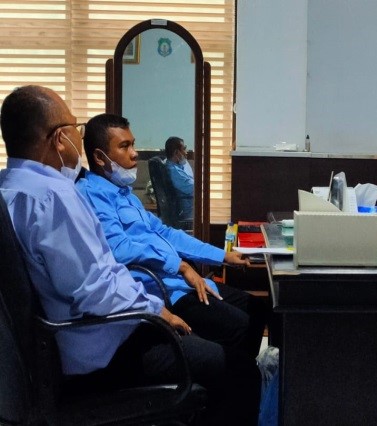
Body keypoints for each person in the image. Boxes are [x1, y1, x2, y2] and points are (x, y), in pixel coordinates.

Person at [0, 85, 260, 424]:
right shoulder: (54, 197)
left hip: (63, 345)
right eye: (75, 128)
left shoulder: (11, 188)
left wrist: (213, 259)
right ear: (60, 138)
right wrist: (156, 310)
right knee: (239, 371)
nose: (78, 137)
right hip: (102, 349)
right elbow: (95, 288)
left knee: (221, 343)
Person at [76, 113, 269, 362]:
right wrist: (179, 265)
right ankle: (236, 375)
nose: (134, 153)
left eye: (133, 144)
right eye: (124, 146)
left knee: (257, 310)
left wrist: (223, 256)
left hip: (178, 282)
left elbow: (167, 233)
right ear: (100, 157)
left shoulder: (125, 195)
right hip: (160, 291)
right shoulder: (93, 194)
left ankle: (246, 373)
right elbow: (118, 248)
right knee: (239, 326)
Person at [164, 136, 194, 221]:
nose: (186, 152)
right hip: (188, 211)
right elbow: (194, 188)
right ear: (176, 152)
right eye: (184, 149)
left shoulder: (177, 167)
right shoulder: (174, 171)